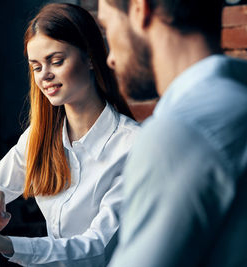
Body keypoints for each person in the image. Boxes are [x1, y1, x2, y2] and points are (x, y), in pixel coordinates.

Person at [0, 3, 139, 266]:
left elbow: (97, 248)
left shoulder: (133, 145)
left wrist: (2, 243)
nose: (45, 75)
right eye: (36, 67)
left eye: (56, 61)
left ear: (90, 58)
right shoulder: (40, 137)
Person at [97, 0, 247, 266]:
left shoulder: (179, 133)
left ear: (140, 10)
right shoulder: (236, 99)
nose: (110, 58)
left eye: (108, 26)